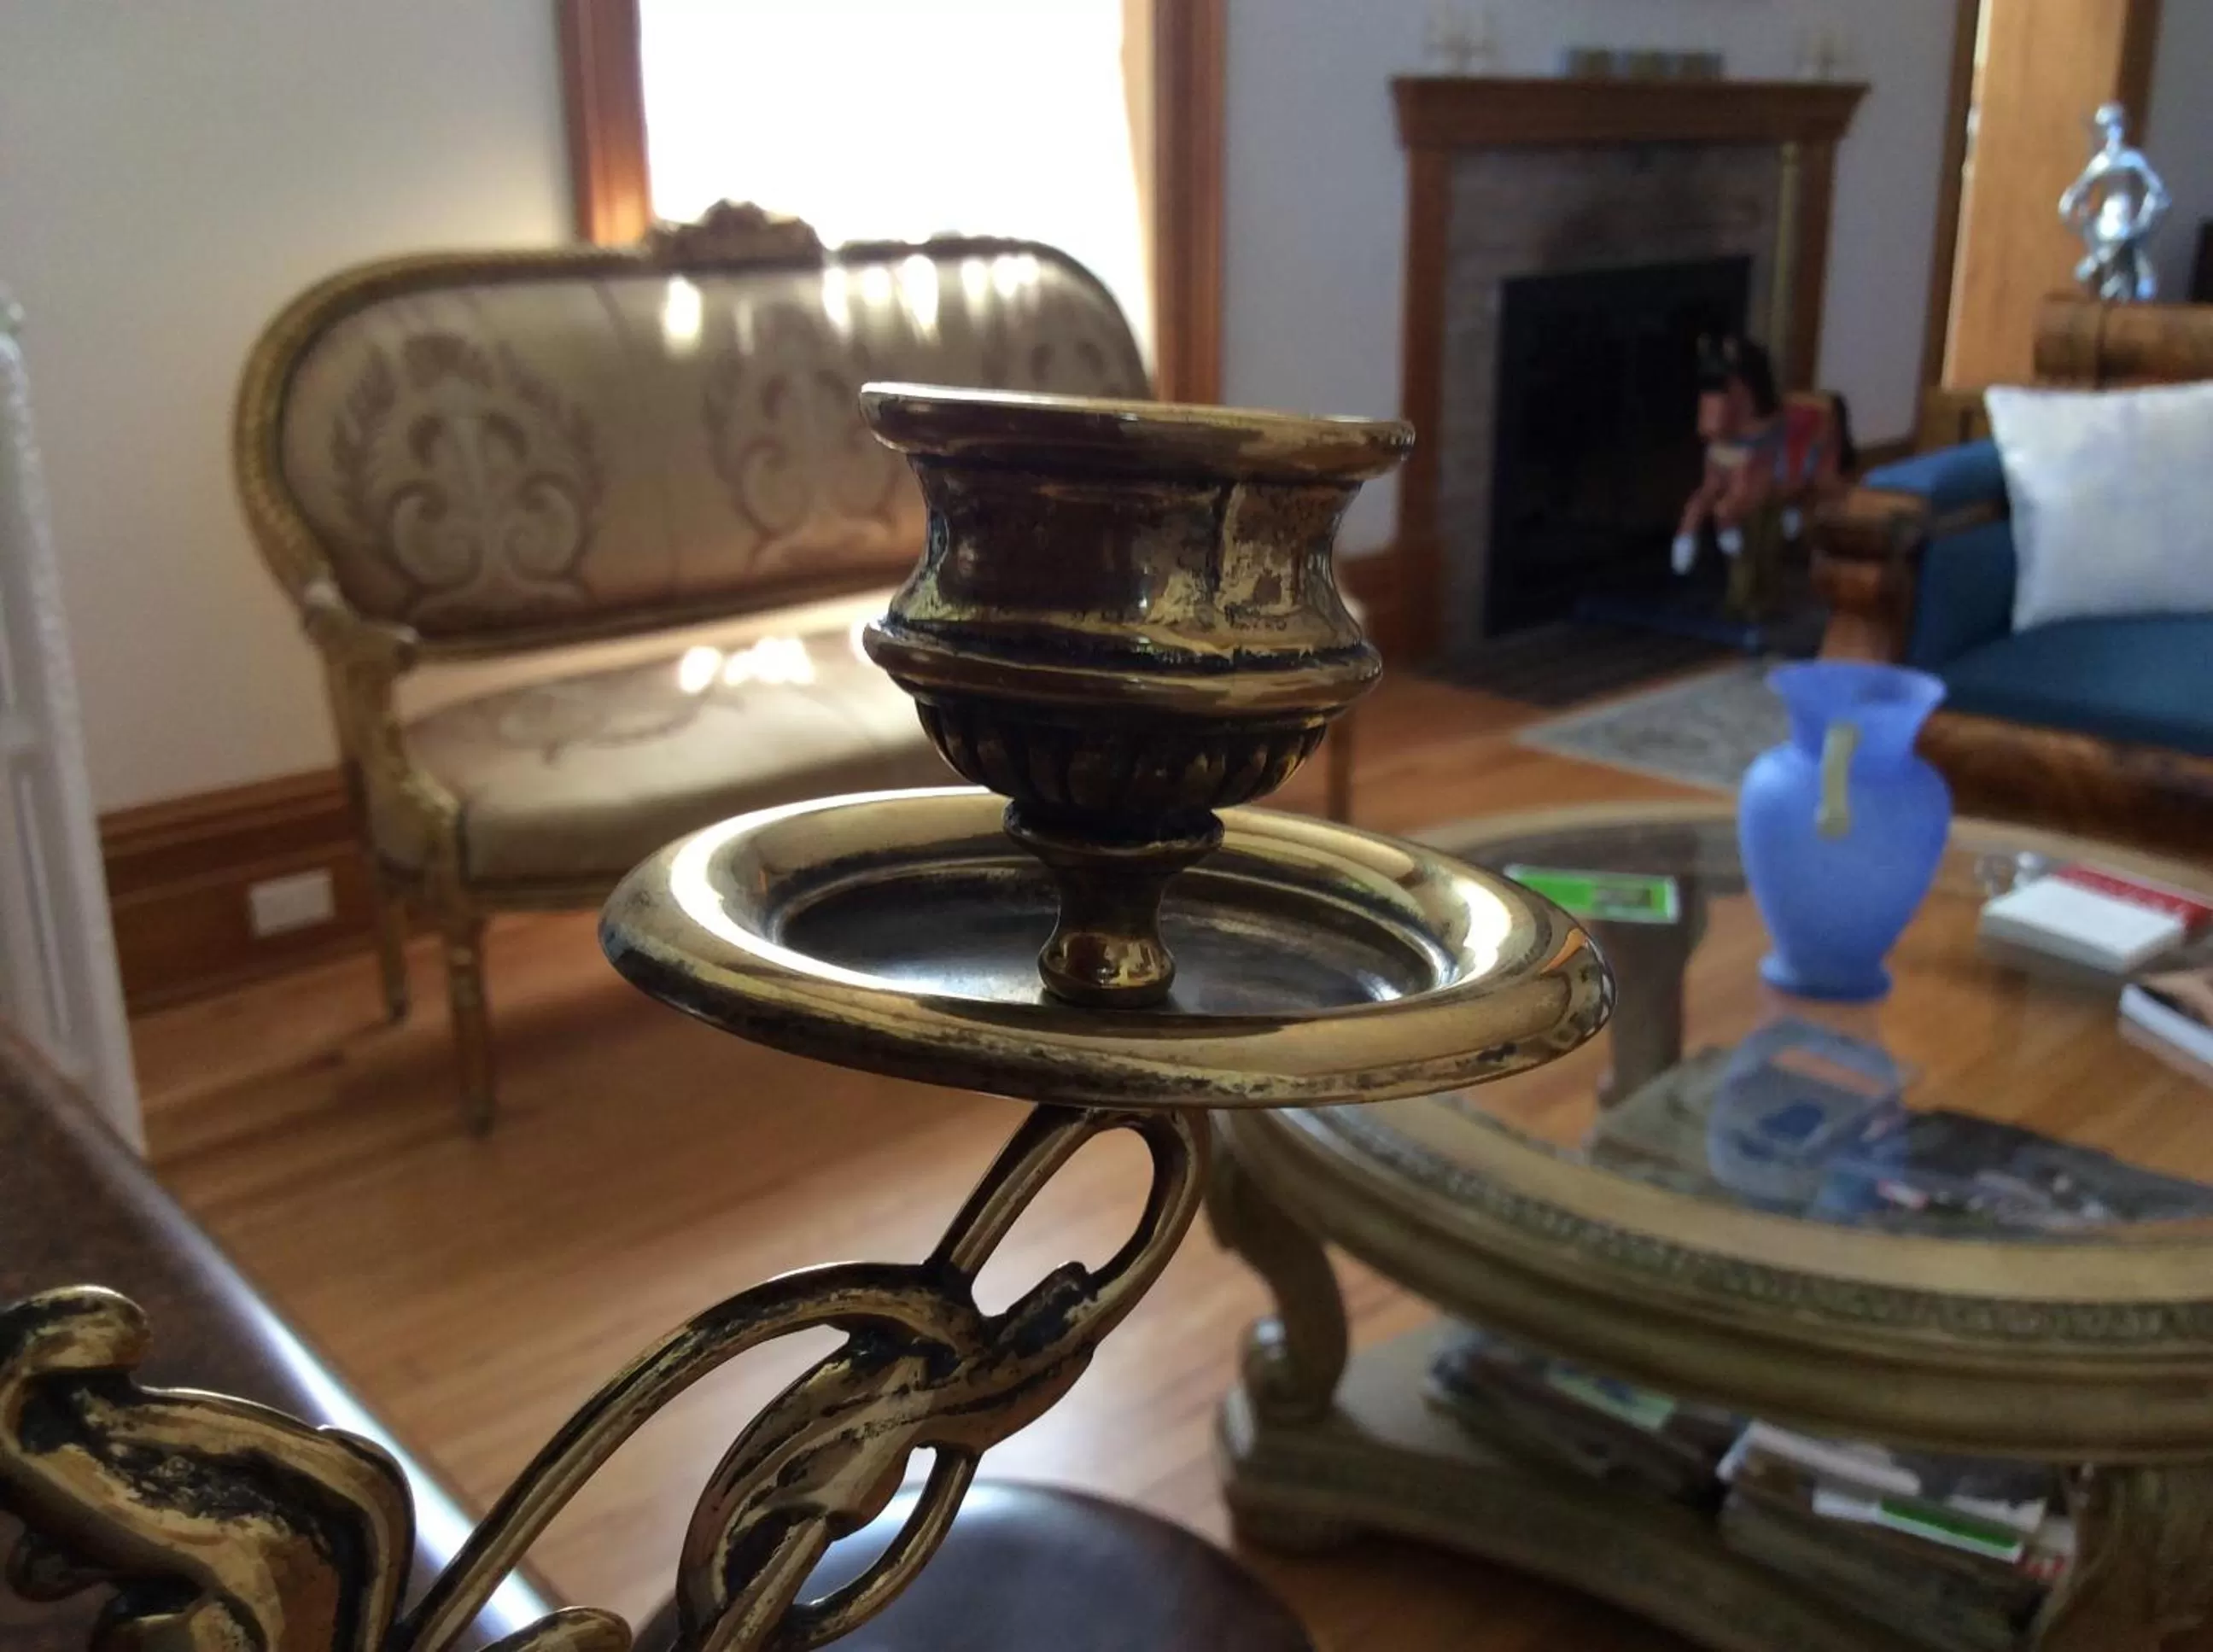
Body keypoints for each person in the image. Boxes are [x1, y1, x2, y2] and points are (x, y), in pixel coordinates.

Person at [2059, 102, 2170, 303]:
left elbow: (2159, 193)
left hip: (2129, 226)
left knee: (2140, 283)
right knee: (2093, 273)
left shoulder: (2133, 159)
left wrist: (2144, 220)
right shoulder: (2100, 162)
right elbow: (2077, 194)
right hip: (2105, 226)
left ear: (2122, 127)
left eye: (2115, 125)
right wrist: (2077, 210)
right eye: (2106, 127)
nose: (2111, 132)